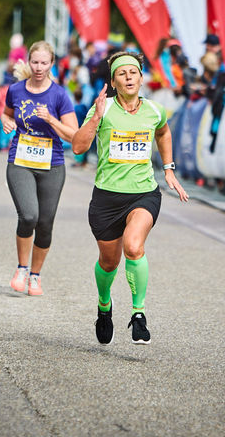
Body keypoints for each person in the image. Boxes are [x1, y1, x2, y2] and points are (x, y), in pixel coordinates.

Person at [72, 51, 189, 345]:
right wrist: (95, 117)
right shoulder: (103, 108)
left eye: (133, 73)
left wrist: (169, 169)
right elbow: (78, 147)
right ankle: (104, 305)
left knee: (134, 247)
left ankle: (139, 314)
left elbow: (163, 132)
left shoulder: (154, 110)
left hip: (143, 193)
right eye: (122, 74)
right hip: (107, 197)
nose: (128, 78)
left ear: (141, 78)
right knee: (109, 262)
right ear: (113, 82)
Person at [0, 41, 78, 296]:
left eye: (44, 63)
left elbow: (74, 135)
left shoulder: (59, 95)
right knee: (28, 216)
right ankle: (22, 268)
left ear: (51, 64)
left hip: (51, 165)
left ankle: (35, 275)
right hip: (20, 161)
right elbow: (7, 113)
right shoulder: (15, 90)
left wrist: (51, 119)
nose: (38, 67)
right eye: (35, 62)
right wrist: (6, 122)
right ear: (28, 62)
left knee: (45, 223)